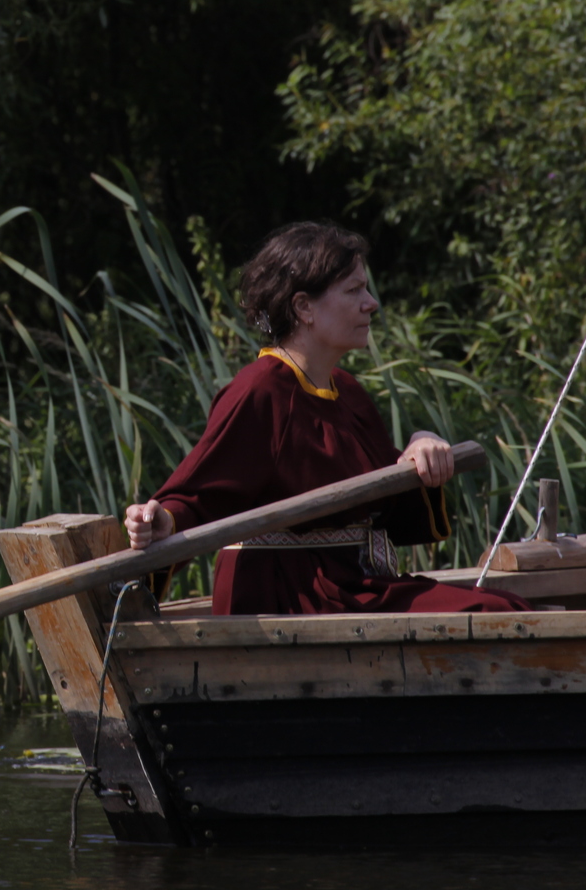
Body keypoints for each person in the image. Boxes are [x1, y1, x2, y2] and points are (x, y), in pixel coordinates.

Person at [122, 221, 530, 616]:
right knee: (494, 613)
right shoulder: (260, 389)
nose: (371, 303)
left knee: (506, 606)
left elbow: (384, 503)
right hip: (289, 594)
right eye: (354, 290)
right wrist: (162, 520)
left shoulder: (346, 391)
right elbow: (200, 494)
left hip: (348, 585)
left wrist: (419, 449)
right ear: (304, 308)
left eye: (365, 289)